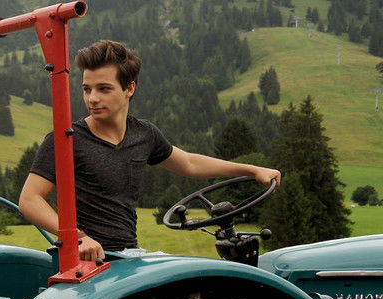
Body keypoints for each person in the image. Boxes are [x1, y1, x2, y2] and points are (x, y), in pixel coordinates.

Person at [19, 39, 282, 261]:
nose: (92, 98)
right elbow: (30, 199)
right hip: (84, 259)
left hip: (129, 254)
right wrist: (78, 239)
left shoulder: (143, 134)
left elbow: (189, 163)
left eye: (104, 89)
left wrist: (251, 169)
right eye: (87, 89)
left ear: (129, 88)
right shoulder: (66, 140)